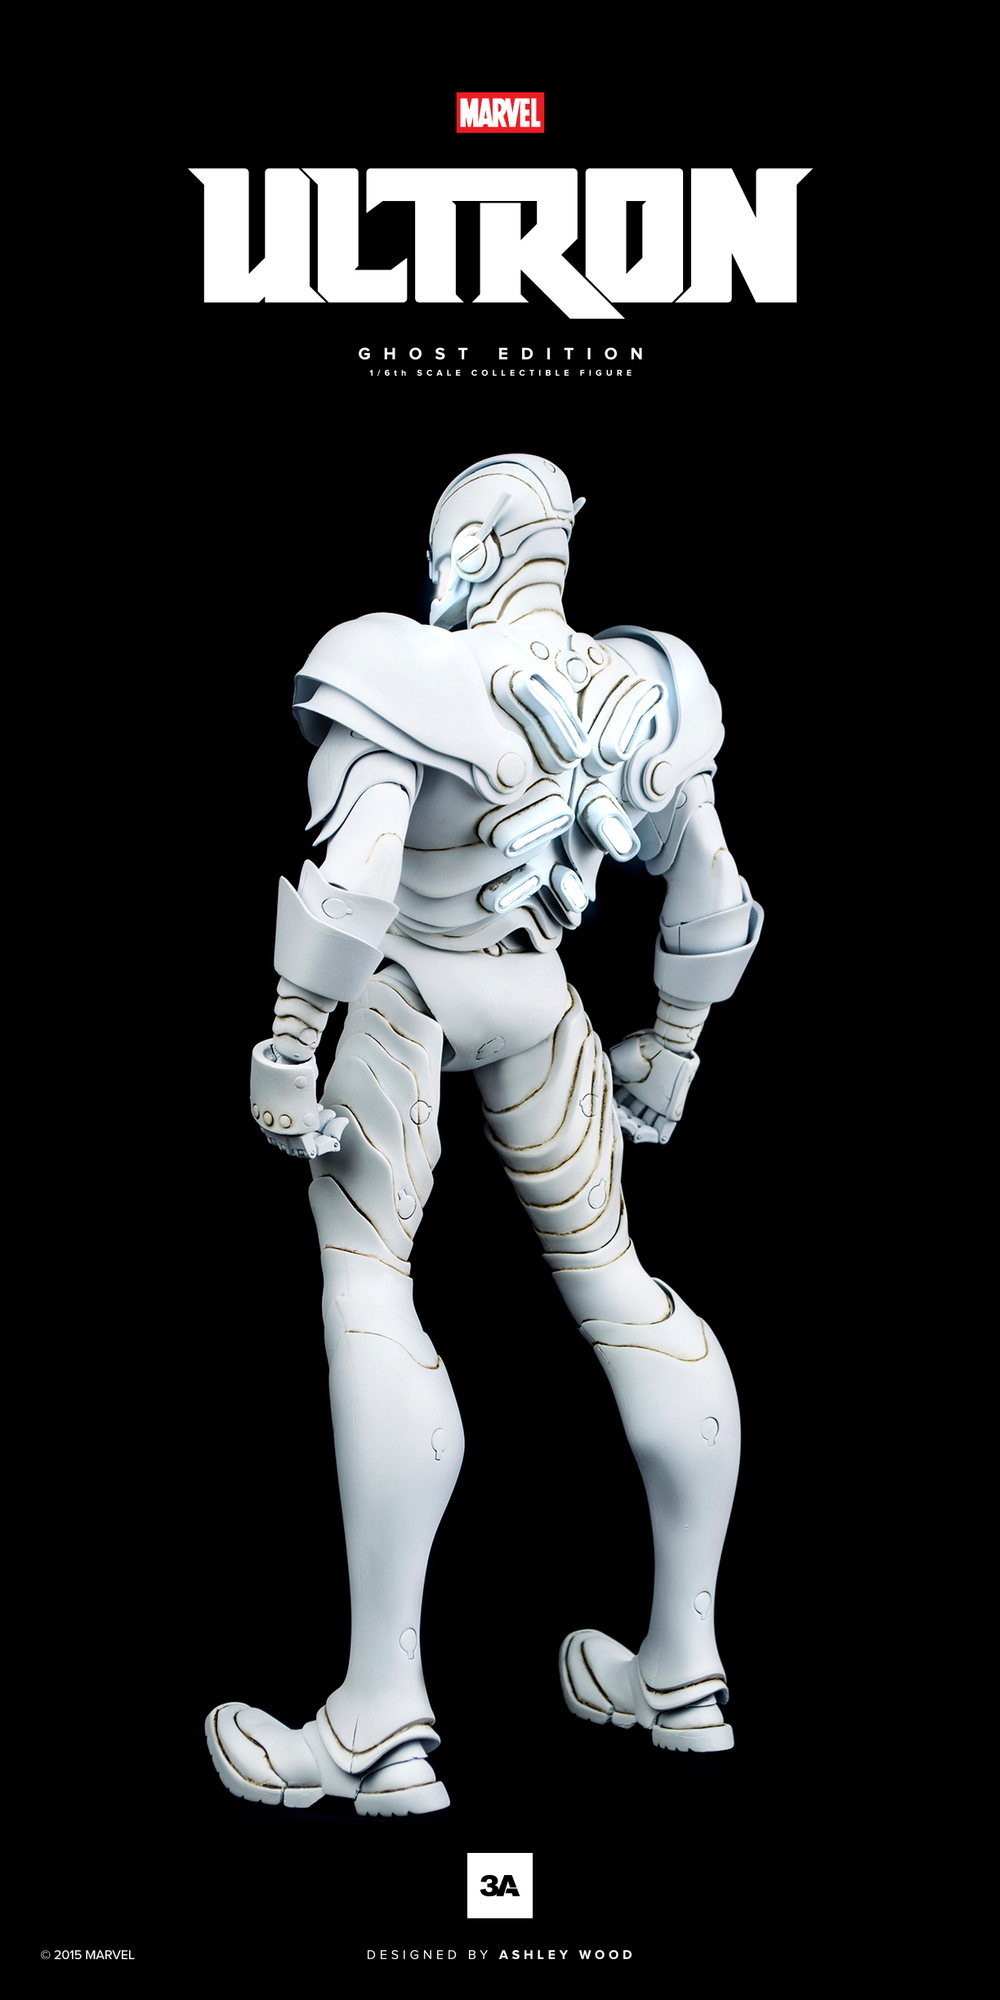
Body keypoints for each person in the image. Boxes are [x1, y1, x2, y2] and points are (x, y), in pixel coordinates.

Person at [206, 453, 762, 1816]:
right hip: (540, 997)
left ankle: (379, 1722)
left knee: (368, 1286)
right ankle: (683, 1673)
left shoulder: (402, 668)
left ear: (464, 553)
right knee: (622, 1288)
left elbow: (354, 878)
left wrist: (287, 1047)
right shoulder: (650, 690)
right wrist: (675, 1045)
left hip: (406, 991)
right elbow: (711, 883)